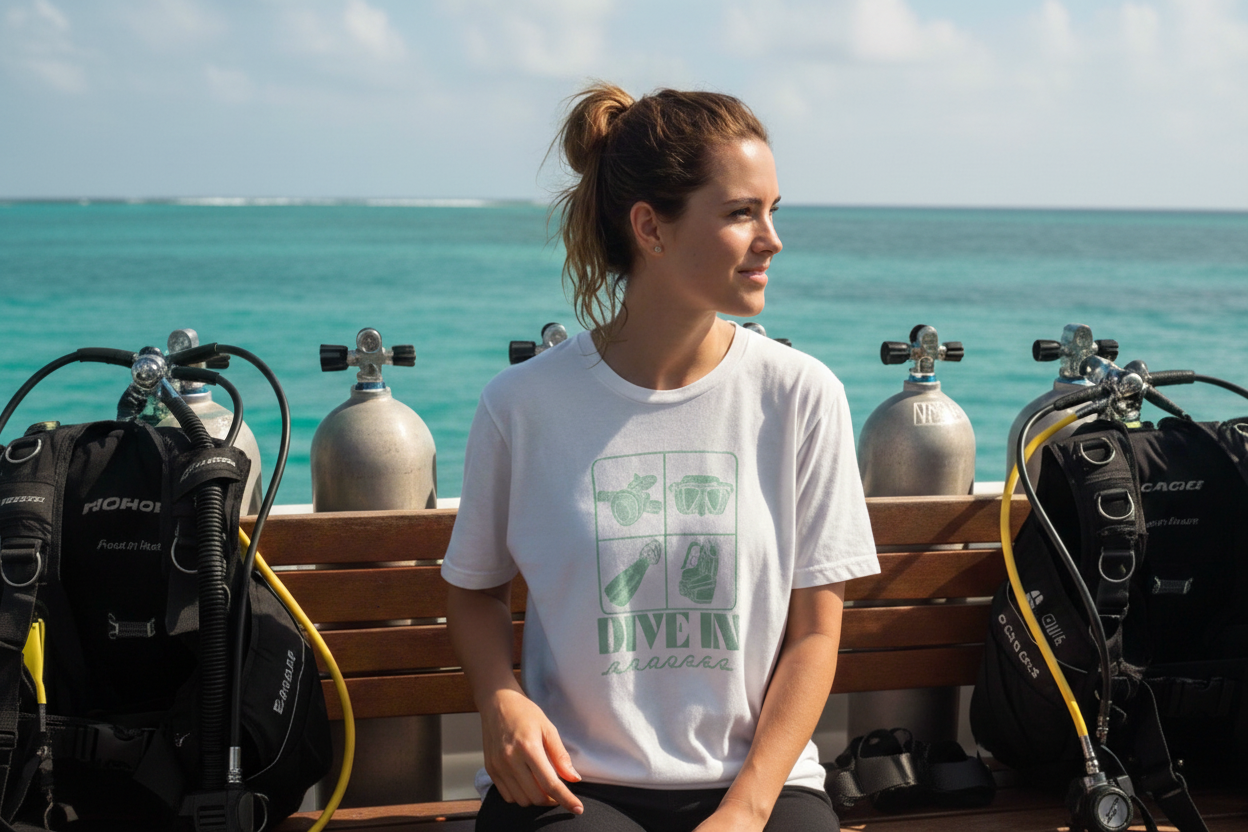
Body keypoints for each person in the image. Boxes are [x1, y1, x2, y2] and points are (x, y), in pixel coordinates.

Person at [441, 82, 879, 832]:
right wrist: (501, 698)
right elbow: (474, 589)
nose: (772, 238)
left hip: (760, 785)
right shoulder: (522, 405)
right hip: (575, 785)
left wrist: (745, 809)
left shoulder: (802, 396)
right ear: (651, 227)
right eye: (742, 213)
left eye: (773, 211)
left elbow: (815, 633)